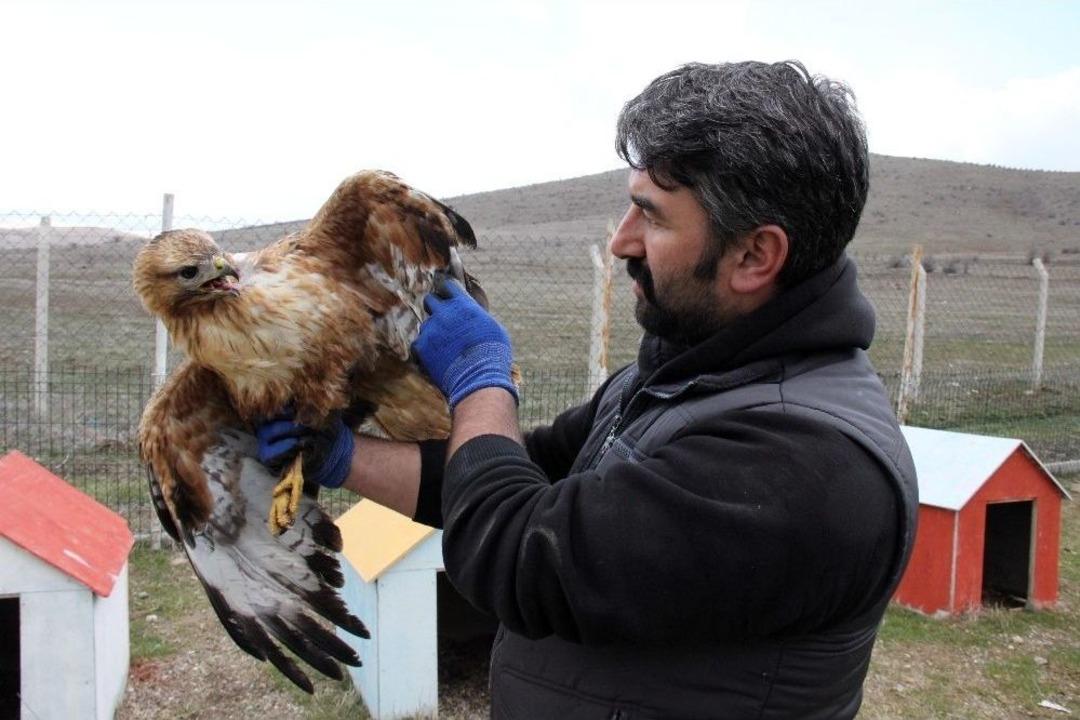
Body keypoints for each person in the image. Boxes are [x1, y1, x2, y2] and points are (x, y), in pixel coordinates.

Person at [258, 60, 919, 719]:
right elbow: (521, 473)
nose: (621, 242)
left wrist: (480, 379)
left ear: (754, 256)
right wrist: (341, 457)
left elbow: (521, 554)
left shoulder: (806, 463)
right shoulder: (685, 375)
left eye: (652, 219)